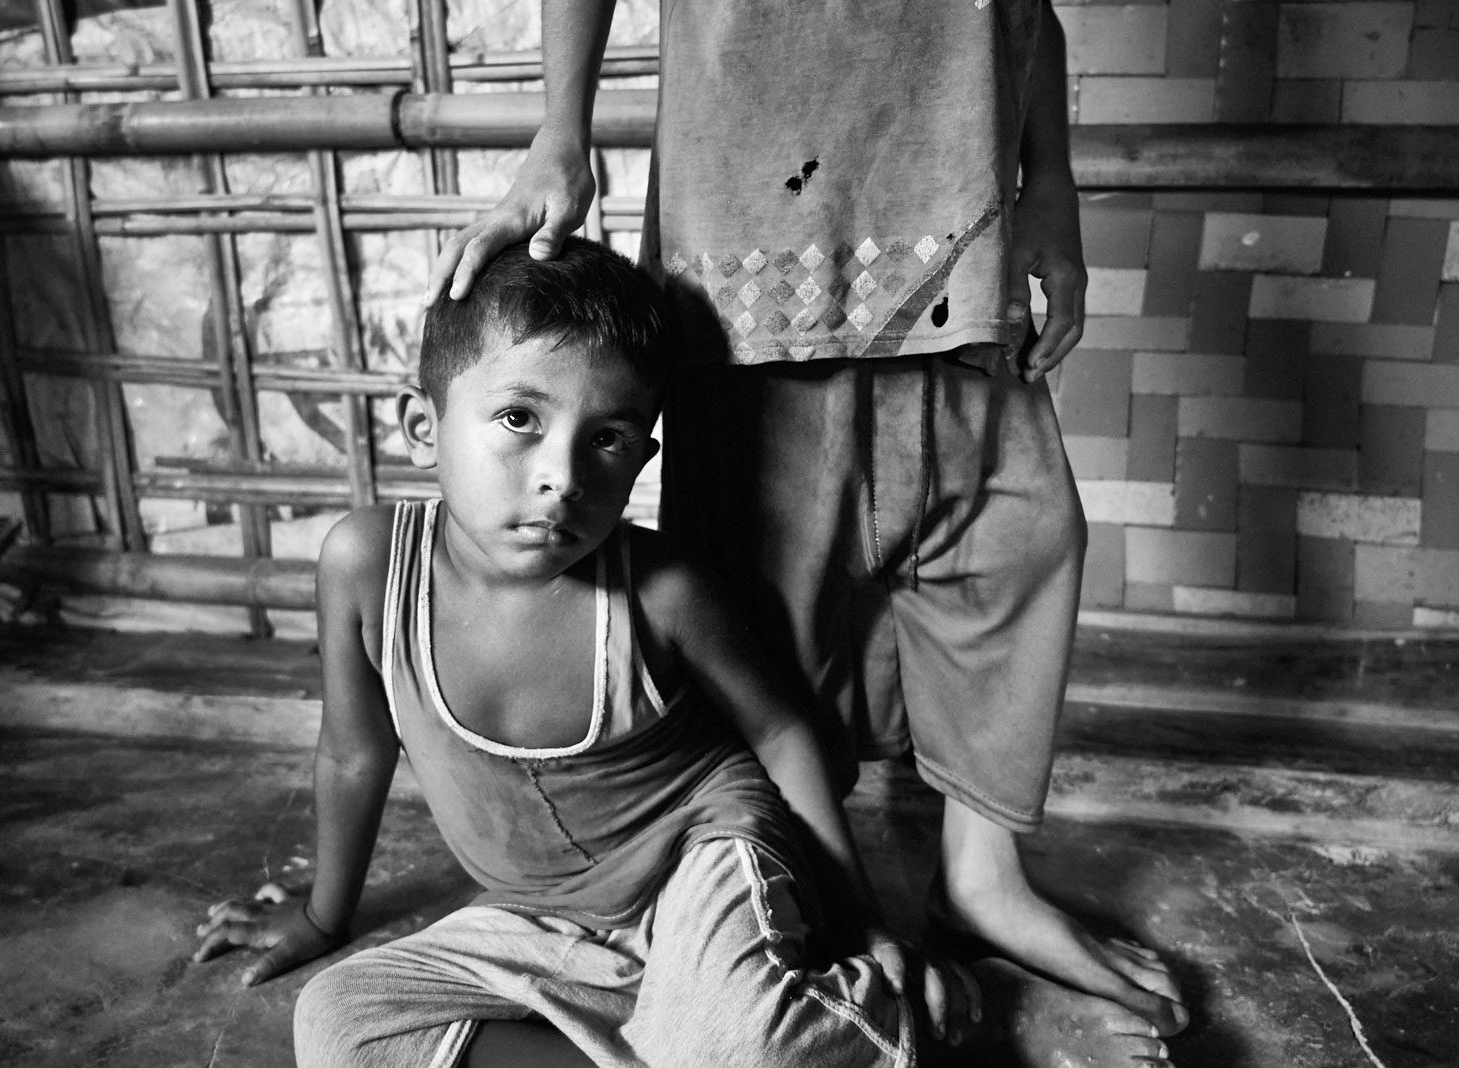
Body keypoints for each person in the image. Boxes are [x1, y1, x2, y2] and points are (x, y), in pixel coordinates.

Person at [192, 239, 1174, 1068]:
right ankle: (690, 1036)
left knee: (732, 1043)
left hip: (703, 874)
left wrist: (854, 920)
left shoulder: (658, 588)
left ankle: (966, 1005)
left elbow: (784, 736)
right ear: (423, 427)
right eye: (519, 420)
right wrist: (324, 920)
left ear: (642, 459)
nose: (560, 478)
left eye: (607, 440)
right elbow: (353, 752)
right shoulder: (366, 563)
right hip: (541, 922)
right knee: (336, 1024)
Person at [426, 0, 1190, 1042]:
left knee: (1017, 535)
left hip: (956, 184)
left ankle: (981, 873)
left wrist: (1048, 185)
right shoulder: (382, 569)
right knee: (772, 590)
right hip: (752, 184)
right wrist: (562, 127)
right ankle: (811, 904)